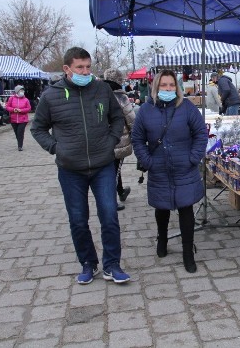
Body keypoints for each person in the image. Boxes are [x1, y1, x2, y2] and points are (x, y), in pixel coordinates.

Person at [31, 47, 129, 285]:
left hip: (102, 164)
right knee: (77, 218)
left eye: (88, 67)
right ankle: (88, 263)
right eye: (80, 68)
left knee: (109, 215)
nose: (86, 72)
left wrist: (111, 141)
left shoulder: (102, 89)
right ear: (67, 69)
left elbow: (117, 118)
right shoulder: (51, 96)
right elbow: (38, 128)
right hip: (70, 168)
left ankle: (112, 264)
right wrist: (57, 148)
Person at [132, 69, 207, 273]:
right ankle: (162, 239)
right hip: (159, 167)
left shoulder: (186, 107)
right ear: (156, 87)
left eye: (171, 85)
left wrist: (193, 157)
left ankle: (187, 252)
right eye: (164, 85)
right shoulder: (146, 111)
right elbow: (137, 139)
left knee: (186, 209)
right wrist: (147, 161)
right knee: (162, 207)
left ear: (177, 87)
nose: (168, 88)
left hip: (184, 167)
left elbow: (201, 133)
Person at [103, 69, 136, 211]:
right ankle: (112, 200)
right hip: (118, 140)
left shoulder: (98, 93)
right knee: (115, 169)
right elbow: (131, 118)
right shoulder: (120, 97)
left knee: (111, 169)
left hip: (101, 139)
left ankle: (121, 191)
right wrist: (136, 136)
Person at [4, 85, 31, 151]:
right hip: (13, 119)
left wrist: (21, 110)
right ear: (17, 91)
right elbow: (7, 107)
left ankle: (20, 146)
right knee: (16, 133)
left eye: (22, 90)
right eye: (20, 90)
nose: (22, 92)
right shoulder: (11, 98)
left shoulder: (26, 99)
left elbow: (29, 108)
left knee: (20, 132)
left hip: (23, 119)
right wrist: (13, 110)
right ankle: (19, 142)